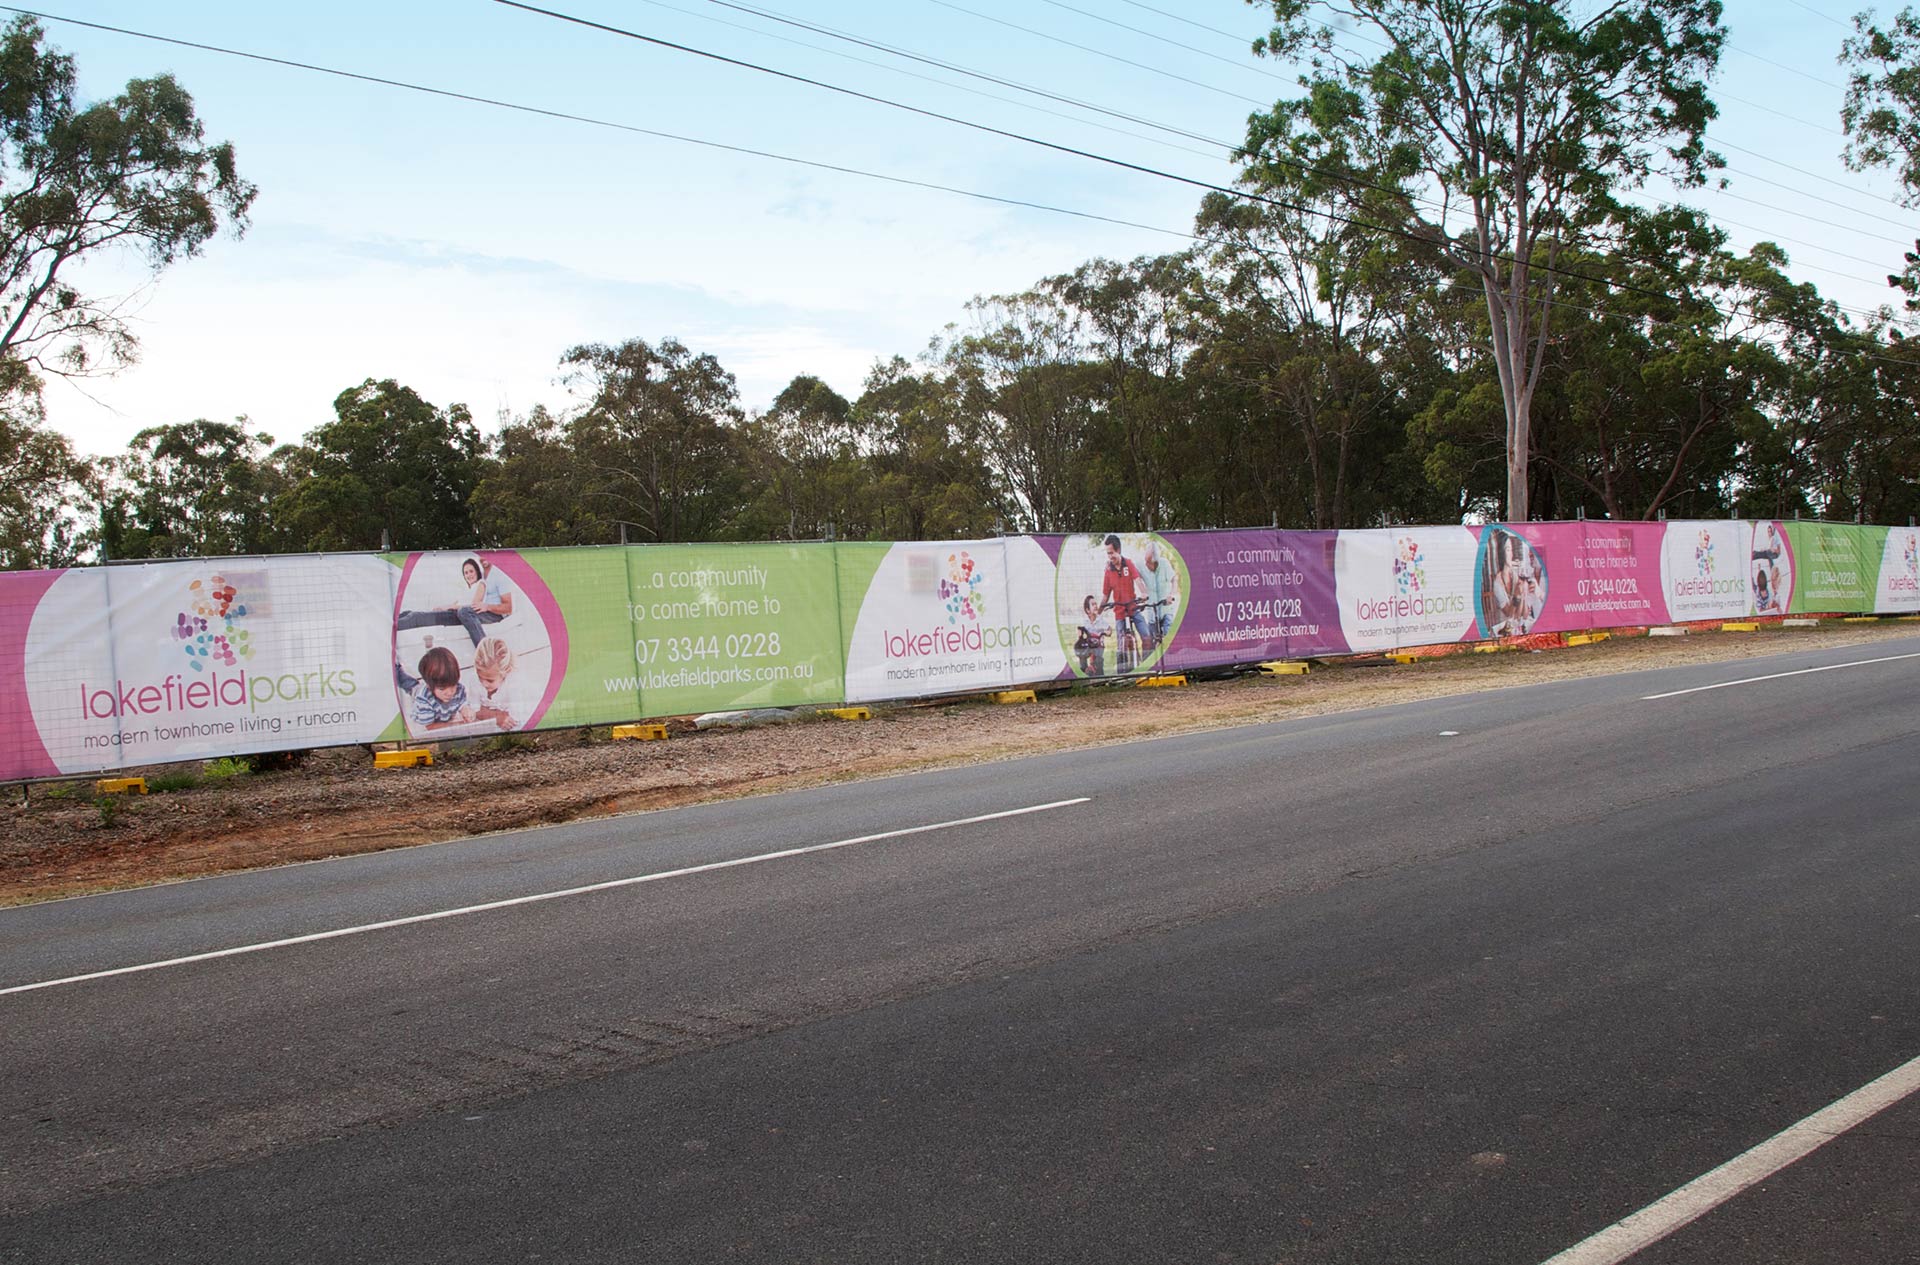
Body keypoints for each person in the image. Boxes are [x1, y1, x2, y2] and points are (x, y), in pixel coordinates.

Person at [396, 556, 516, 647]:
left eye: (471, 571)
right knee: (410, 613)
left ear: (477, 572)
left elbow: (473, 606)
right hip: (457, 613)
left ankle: (390, 627)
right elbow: (456, 604)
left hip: (462, 614)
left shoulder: (481, 583)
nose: (469, 575)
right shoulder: (467, 589)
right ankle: (393, 620)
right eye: (466, 573)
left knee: (417, 617)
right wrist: (445, 607)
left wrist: (451, 607)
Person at [394, 645, 473, 730]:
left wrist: (466, 709)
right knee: (408, 683)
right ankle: (395, 667)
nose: (450, 693)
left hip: (436, 699)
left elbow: (462, 703)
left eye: (453, 685)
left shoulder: (458, 689)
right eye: (442, 689)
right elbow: (430, 726)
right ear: (429, 686)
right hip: (419, 693)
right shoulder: (423, 700)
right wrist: (456, 725)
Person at [1100, 535, 1149, 663]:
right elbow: (1105, 595)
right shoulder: (1108, 571)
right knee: (1121, 644)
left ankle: (1147, 665)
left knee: (1147, 636)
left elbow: (1137, 580)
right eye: (1108, 554)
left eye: (1112, 553)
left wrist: (1144, 593)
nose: (1110, 557)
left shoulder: (1128, 564)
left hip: (1133, 608)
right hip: (1120, 611)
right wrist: (1099, 610)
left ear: (1119, 550)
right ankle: (1122, 672)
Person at [470, 636, 529, 731]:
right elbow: (473, 710)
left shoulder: (513, 682)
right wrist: (497, 717)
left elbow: (515, 718)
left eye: (490, 680)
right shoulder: (474, 678)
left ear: (505, 672)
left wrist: (485, 712)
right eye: (480, 677)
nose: (484, 684)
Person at [1140, 541, 1178, 647]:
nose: (1146, 565)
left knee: (1168, 637)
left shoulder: (1164, 564)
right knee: (1151, 642)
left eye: (1148, 562)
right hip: (1152, 610)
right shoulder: (1142, 566)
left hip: (1166, 608)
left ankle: (1170, 659)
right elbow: (1133, 573)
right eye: (1145, 561)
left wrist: (1172, 595)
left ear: (1155, 562)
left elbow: (1174, 579)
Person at [1073, 595, 1112, 676]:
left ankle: (1100, 676)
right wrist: (1080, 633)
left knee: (1098, 661)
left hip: (1098, 645)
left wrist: (1106, 632)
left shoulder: (1100, 620)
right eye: (1093, 605)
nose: (1095, 606)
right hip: (1088, 645)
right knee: (1082, 657)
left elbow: (1109, 629)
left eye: (1096, 604)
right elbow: (1079, 629)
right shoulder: (1085, 621)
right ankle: (1084, 672)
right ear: (1087, 610)